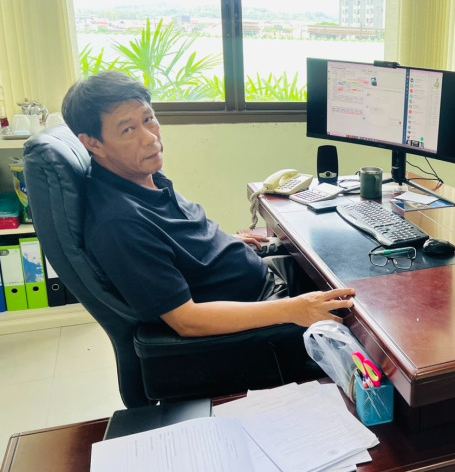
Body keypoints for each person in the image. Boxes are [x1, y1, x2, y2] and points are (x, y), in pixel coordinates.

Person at [61, 72, 355, 358]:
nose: (150, 138)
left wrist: (226, 243)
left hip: (264, 281)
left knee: (344, 256)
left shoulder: (142, 177)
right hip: (263, 311)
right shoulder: (119, 223)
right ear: (93, 143)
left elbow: (176, 243)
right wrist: (293, 309)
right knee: (367, 315)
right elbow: (186, 320)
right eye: (128, 130)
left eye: (148, 119)